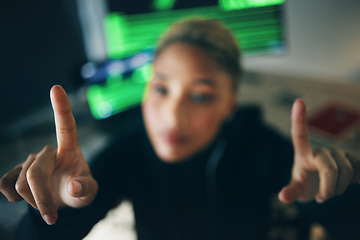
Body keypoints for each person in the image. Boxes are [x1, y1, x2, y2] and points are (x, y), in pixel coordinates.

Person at [0, 18, 360, 240]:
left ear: (229, 104)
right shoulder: (129, 151)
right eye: (161, 88)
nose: (172, 113)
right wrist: (58, 209)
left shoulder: (261, 146)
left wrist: (330, 201)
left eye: (201, 96)